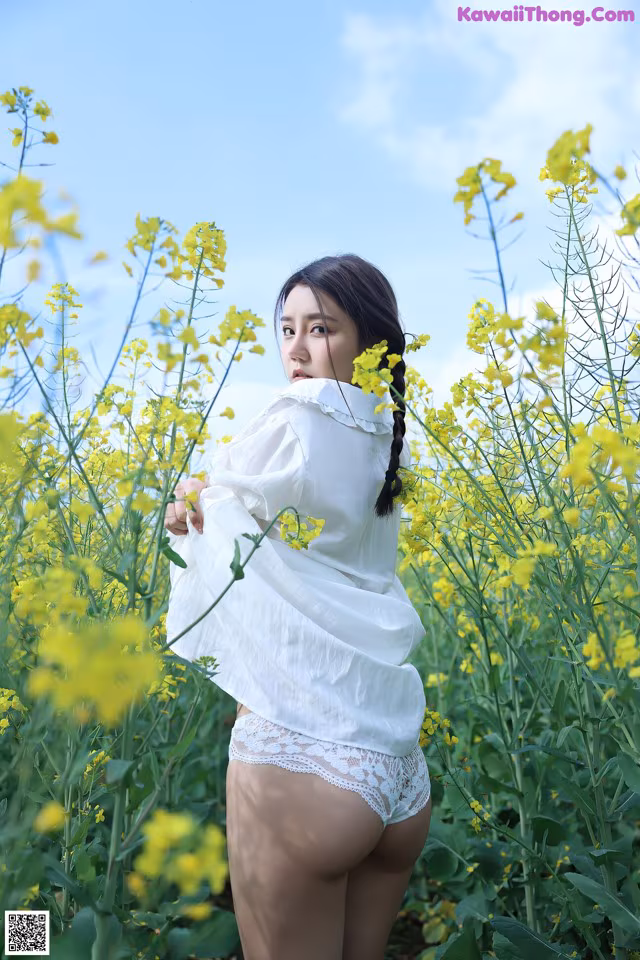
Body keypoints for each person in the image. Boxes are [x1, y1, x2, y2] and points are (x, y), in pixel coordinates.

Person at [163, 254, 432, 960]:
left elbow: (213, 514)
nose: (297, 349)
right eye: (287, 329)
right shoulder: (388, 433)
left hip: (301, 753)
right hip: (395, 768)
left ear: (370, 340)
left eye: (322, 328)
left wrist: (186, 509)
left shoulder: (299, 418)